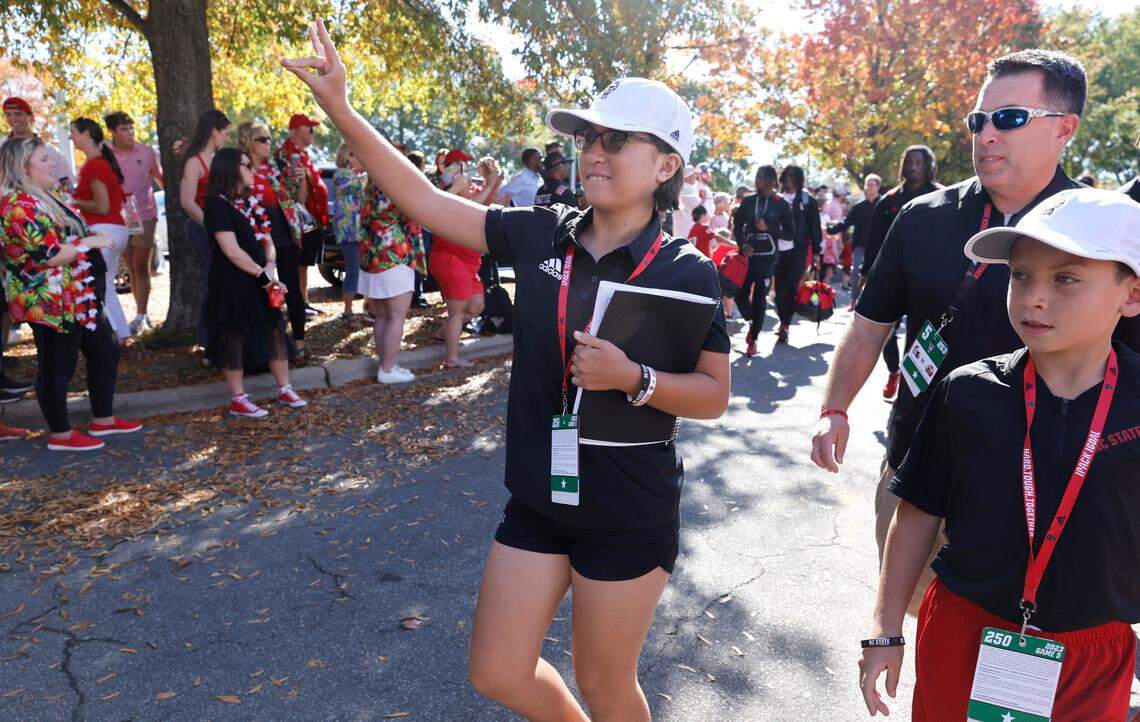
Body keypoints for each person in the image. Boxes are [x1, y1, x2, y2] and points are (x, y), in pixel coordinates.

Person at [284, 28, 730, 720]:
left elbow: (713, 395)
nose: (593, 152)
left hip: (628, 509)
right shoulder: (539, 232)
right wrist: (343, 110)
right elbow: (424, 201)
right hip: (539, 494)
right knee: (497, 670)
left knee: (606, 683)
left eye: (615, 140)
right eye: (588, 138)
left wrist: (632, 377)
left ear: (667, 166)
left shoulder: (688, 272)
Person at [859, 188, 1140, 720]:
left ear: (1131, 295)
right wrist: (885, 628)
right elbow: (917, 511)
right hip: (963, 631)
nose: (1034, 296)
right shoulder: (967, 391)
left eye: (1066, 278)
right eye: (1020, 275)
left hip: (1092, 653)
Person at [811, 49, 1088, 563]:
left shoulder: (1095, 233)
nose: (986, 135)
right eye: (979, 120)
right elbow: (870, 325)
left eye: (1008, 119)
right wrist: (835, 410)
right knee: (908, 622)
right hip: (914, 470)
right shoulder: (920, 218)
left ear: (1063, 129)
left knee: (999, 640)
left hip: (1040, 489)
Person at [0, 137, 141, 450]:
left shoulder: (49, 196)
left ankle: (103, 420)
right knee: (57, 364)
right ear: (25, 166)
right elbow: (45, 255)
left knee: (106, 349)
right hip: (48, 300)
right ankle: (60, 435)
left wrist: (90, 235)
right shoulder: (17, 206)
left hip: (79, 292)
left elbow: (72, 231)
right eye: (44, 158)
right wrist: (86, 244)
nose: (53, 163)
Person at [201, 148, 306, 417]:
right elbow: (231, 250)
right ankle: (238, 397)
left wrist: (270, 268)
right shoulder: (216, 203)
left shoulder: (250, 200)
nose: (252, 170)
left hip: (261, 277)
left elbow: (267, 240)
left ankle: (284, 388)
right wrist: (263, 276)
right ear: (230, 169)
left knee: (274, 330)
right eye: (246, 165)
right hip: (232, 281)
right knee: (233, 335)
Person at [861, 146, 942, 399]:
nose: (914, 167)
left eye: (919, 163)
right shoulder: (889, 200)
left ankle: (913, 390)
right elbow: (874, 241)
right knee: (886, 334)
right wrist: (865, 273)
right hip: (893, 280)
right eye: (909, 162)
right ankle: (894, 371)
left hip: (930, 280)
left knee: (922, 336)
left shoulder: (944, 197)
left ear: (928, 166)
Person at [237, 122, 309, 356]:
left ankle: (298, 341)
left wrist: (302, 179)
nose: (269, 143)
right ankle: (269, 344)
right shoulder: (239, 168)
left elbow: (299, 199)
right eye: (262, 139)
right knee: (264, 292)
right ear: (248, 141)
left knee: (292, 290)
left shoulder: (278, 165)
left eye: (269, 138)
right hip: (255, 241)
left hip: (284, 238)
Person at [429, 148, 501, 367]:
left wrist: (493, 183)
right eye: (460, 166)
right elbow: (464, 208)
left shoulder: (470, 191)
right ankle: (451, 357)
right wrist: (461, 188)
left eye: (466, 166)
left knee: (476, 305)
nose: (465, 170)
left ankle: (443, 334)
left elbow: (485, 204)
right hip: (451, 259)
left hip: (469, 262)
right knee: (457, 311)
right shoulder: (445, 193)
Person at [357, 168, 427, 384]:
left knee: (383, 316)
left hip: (373, 257)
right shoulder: (396, 190)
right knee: (396, 316)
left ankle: (386, 365)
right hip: (395, 256)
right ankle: (387, 370)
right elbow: (422, 210)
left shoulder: (370, 189)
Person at [70, 118, 131, 340]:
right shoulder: (101, 162)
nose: (71, 138)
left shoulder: (94, 165)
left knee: (98, 289)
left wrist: (72, 200)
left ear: (86, 134)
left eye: (74, 133)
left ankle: (110, 339)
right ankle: (121, 336)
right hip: (116, 229)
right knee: (108, 289)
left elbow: (102, 206)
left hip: (102, 230)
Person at [105, 111, 163, 336]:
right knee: (130, 267)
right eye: (123, 129)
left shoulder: (146, 152)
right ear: (113, 132)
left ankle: (140, 315)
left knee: (141, 266)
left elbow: (159, 176)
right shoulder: (105, 153)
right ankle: (142, 314)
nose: (129, 133)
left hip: (145, 215)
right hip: (118, 217)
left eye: (131, 128)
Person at [179, 109, 232, 348]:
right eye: (225, 133)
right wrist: (211, 225)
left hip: (226, 231)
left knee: (226, 283)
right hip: (204, 231)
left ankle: (227, 336)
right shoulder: (194, 162)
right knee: (210, 284)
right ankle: (209, 342)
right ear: (213, 132)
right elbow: (187, 201)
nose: (227, 138)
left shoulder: (221, 159)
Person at [734, 165, 794, 357]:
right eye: (757, 176)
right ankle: (753, 321)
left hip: (768, 259)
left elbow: (790, 233)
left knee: (760, 298)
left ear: (770, 180)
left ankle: (754, 338)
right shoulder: (749, 201)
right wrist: (742, 244)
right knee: (739, 295)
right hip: (747, 256)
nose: (757, 180)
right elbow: (737, 225)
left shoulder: (781, 203)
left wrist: (768, 228)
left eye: (761, 177)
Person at [275, 113, 328, 315]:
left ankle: (303, 302)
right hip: (296, 221)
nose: (313, 133)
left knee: (304, 264)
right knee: (295, 264)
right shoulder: (286, 155)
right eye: (310, 129)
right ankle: (295, 305)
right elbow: (291, 194)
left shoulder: (303, 154)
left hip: (310, 221)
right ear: (297, 130)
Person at [775, 165, 822, 344]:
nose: (789, 180)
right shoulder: (776, 199)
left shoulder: (807, 200)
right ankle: (782, 320)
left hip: (799, 250)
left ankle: (785, 324)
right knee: (779, 290)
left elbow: (815, 227)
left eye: (793, 176)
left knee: (791, 287)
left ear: (799, 179)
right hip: (777, 250)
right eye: (786, 176)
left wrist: (817, 251)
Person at [828, 174, 881, 308]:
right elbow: (846, 223)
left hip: (878, 247)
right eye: (867, 184)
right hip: (860, 245)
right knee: (856, 272)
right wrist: (830, 230)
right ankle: (854, 300)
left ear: (878, 187)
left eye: (872, 185)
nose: (869, 187)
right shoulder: (858, 207)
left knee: (875, 275)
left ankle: (872, 303)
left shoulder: (883, 204)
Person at [1, 97, 73, 191]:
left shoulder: (51, 152)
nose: (13, 119)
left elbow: (69, 186)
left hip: (44, 203)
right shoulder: (2, 147)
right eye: (8, 115)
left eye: (18, 114)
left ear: (31, 117)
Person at [331, 142, 366, 322]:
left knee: (357, 268)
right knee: (353, 268)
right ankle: (347, 311)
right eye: (355, 154)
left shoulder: (351, 175)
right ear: (347, 156)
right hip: (349, 231)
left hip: (355, 230)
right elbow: (359, 187)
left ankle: (356, 308)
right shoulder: (343, 175)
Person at [672, 164, 701, 239]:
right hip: (686, 226)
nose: (696, 176)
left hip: (683, 224)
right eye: (694, 174)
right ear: (690, 175)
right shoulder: (686, 189)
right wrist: (703, 198)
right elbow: (697, 205)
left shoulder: (685, 187)